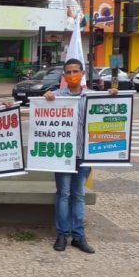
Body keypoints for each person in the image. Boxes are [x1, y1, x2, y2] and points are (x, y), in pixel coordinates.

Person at [43, 58, 118, 254]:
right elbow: (41, 110)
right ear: (64, 76)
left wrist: (113, 97)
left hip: (84, 155)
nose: (72, 75)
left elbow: (110, 113)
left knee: (78, 195)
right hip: (62, 156)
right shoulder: (56, 97)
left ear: (82, 73)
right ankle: (61, 235)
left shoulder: (94, 97)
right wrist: (46, 96)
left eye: (75, 71)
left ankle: (78, 236)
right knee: (63, 195)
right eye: (68, 72)